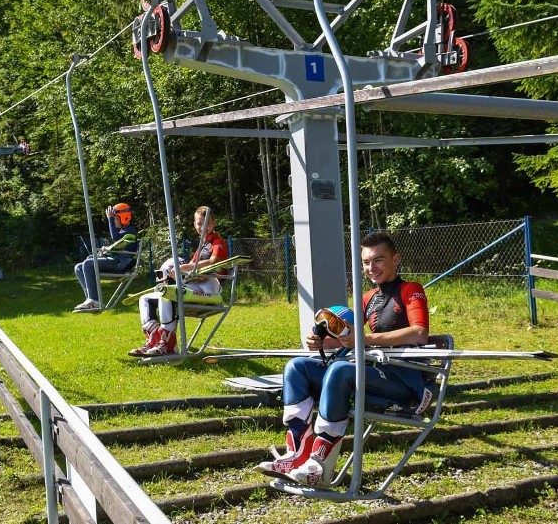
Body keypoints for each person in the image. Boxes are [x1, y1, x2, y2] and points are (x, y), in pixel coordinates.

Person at [255, 231, 430, 487]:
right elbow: (348, 338)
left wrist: (365, 340)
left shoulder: (411, 290)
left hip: (403, 380)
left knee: (340, 370)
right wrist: (322, 342)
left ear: (396, 259)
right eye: (366, 262)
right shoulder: (368, 298)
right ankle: (297, 453)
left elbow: (420, 333)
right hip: (372, 371)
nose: (372, 268)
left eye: (378, 260)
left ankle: (319, 463)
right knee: (297, 367)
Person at [130, 206, 229, 356]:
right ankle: (155, 339)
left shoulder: (217, 243)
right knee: (145, 299)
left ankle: (168, 344)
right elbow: (190, 267)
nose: (203, 227)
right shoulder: (202, 245)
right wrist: (180, 271)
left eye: (207, 223)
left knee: (168, 292)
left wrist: (186, 267)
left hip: (208, 289)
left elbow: (213, 263)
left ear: (213, 223)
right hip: (193, 285)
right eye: (200, 223)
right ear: (194, 224)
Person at [73, 202, 138, 313]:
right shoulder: (123, 232)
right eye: (114, 219)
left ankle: (94, 300)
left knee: (88, 264)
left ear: (124, 218)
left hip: (121, 263)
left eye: (116, 219)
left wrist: (110, 219)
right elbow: (118, 244)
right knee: (79, 267)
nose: (114, 222)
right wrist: (107, 251)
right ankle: (90, 298)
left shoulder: (130, 230)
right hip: (116, 260)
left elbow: (116, 238)